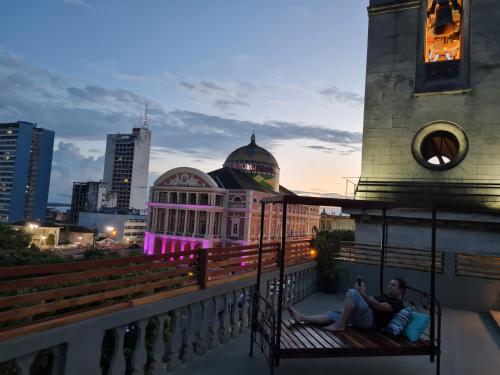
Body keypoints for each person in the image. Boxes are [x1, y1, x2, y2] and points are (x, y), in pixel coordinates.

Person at [288, 277, 407, 332]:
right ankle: (301, 317)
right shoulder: (385, 296)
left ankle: (340, 325)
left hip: (371, 323)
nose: (389, 286)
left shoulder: (397, 303)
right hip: (363, 316)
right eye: (390, 284)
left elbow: (379, 306)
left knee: (352, 292)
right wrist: (363, 293)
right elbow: (370, 300)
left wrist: (360, 293)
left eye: (393, 285)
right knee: (332, 314)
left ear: (401, 290)